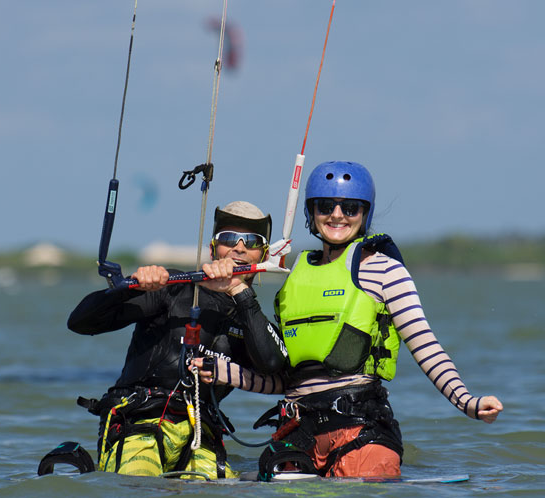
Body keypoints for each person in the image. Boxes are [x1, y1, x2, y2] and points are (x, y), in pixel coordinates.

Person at [194, 161, 503, 479]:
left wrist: (466, 401)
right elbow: (286, 380)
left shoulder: (385, 270)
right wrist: (225, 372)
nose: (337, 215)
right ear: (312, 213)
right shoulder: (295, 278)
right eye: (326, 206)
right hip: (297, 432)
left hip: (359, 426)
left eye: (350, 208)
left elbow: (424, 344)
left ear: (364, 214)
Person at [67, 201, 287, 480]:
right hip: (138, 422)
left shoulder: (250, 317)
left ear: (263, 255)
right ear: (213, 249)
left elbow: (272, 363)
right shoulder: (171, 288)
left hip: (200, 435)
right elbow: (80, 323)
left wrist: (238, 290)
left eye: (252, 242)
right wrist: (129, 287)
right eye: (229, 239)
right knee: (139, 486)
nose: (239, 248)